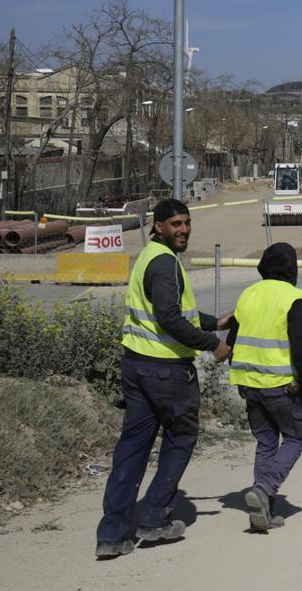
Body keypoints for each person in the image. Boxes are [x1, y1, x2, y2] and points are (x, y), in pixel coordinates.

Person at [95, 199, 233, 558]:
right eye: (176, 224)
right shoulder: (164, 263)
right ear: (158, 227)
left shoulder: (147, 257)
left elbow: (170, 311)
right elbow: (170, 319)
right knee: (182, 436)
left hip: (136, 367)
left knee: (133, 447)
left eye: (187, 223)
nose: (184, 230)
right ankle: (153, 518)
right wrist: (212, 344)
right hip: (167, 371)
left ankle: (112, 533)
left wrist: (212, 321)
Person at [227, 242, 302, 531]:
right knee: (299, 433)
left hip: (248, 384)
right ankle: (265, 489)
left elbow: (233, 339)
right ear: (292, 268)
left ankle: (263, 507)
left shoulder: (248, 294)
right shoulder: (293, 297)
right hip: (280, 385)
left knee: (266, 440)